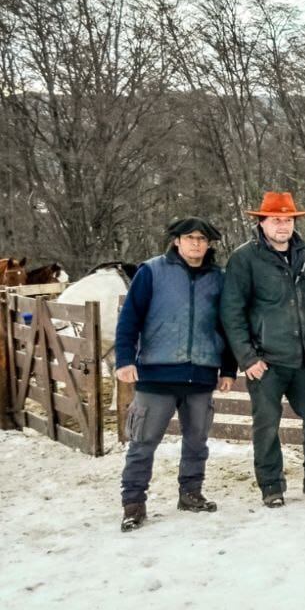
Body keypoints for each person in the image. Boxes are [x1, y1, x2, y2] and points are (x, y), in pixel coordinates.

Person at [221, 192, 305, 507]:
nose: (282, 225)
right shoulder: (245, 258)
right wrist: (247, 358)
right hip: (267, 360)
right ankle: (271, 485)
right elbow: (231, 312)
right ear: (261, 222)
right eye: (276, 219)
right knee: (266, 425)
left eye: (288, 219)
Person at [114, 217, 237, 532]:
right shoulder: (152, 272)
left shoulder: (219, 278)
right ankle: (134, 503)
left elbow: (227, 325)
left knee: (197, 439)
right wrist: (125, 359)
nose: (196, 243)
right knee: (143, 440)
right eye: (190, 237)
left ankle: (191, 493)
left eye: (202, 239)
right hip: (156, 373)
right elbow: (130, 318)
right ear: (176, 241)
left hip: (201, 374)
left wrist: (228, 368)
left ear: (209, 244)